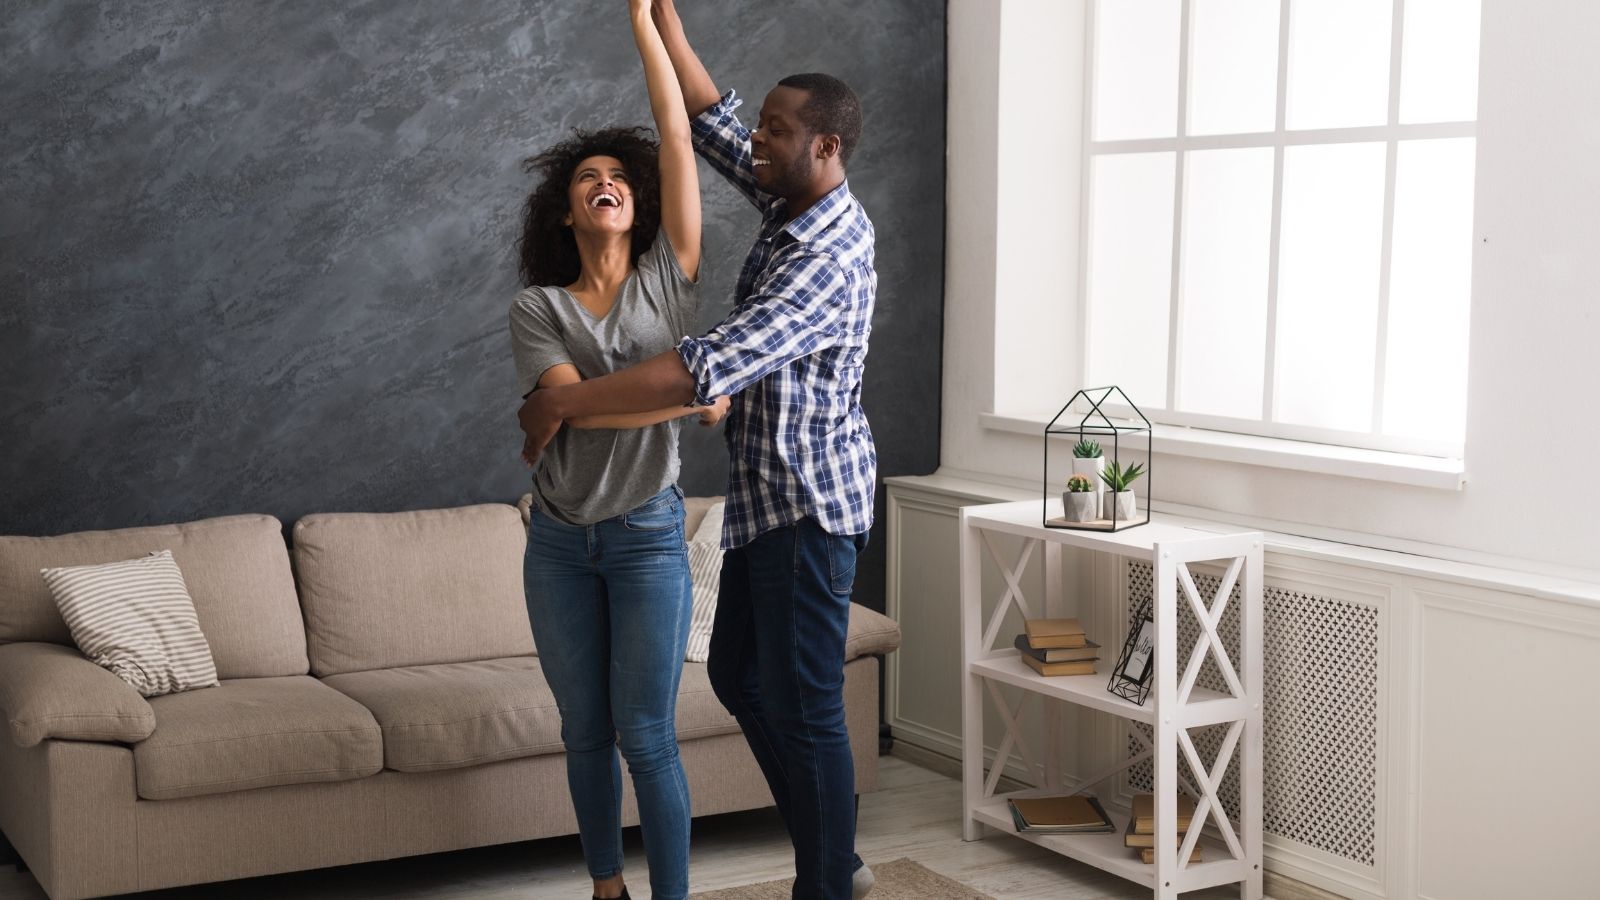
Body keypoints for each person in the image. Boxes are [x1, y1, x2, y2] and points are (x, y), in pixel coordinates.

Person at [515, 0, 877, 895]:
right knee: (737, 677)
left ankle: (828, 877)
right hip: (758, 504)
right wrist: (660, 22)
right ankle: (833, 857)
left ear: (825, 147)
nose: (755, 138)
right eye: (762, 124)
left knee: (806, 707)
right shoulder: (794, 200)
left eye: (777, 130)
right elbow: (706, 128)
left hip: (806, 503)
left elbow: (695, 370)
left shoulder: (822, 258)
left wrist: (558, 409)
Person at [508, 3, 727, 899]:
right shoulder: (538, 308)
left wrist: (644, 19)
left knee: (648, 734)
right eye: (587, 178)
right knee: (583, 730)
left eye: (617, 177)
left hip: (644, 537)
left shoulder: (668, 281)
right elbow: (567, 407)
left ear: (635, 204)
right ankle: (607, 888)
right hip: (559, 545)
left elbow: (675, 130)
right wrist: (683, 397)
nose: (605, 181)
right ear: (568, 214)